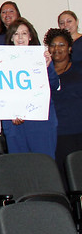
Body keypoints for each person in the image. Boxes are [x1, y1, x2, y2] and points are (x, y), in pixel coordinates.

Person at [3, 18, 58, 158]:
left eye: (24, 33)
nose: (20, 37)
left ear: (30, 36)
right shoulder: (1, 61)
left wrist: (47, 68)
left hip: (40, 123)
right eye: (16, 34)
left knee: (44, 166)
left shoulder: (42, 57)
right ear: (11, 38)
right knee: (20, 169)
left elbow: (54, 86)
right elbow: (0, 94)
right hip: (15, 124)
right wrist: (11, 113)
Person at [44, 28, 82, 175]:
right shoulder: (43, 72)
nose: (57, 49)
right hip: (54, 134)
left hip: (78, 132)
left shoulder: (79, 71)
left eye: (61, 45)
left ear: (70, 48)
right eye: (53, 45)